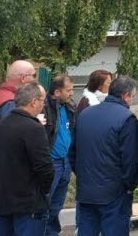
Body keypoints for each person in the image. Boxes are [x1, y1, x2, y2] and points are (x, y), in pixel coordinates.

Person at [0, 82, 54, 236]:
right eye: (43, 101)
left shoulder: (1, 125)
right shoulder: (34, 128)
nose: (44, 105)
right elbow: (45, 168)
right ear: (34, 102)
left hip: (2, 199)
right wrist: (43, 191)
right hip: (27, 203)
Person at [72, 76, 138, 236]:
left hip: (87, 191)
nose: (132, 101)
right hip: (114, 194)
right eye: (132, 97)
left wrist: (83, 176)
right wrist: (129, 186)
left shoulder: (85, 115)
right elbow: (130, 161)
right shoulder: (127, 119)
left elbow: (73, 152)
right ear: (125, 96)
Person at [0, 59, 37, 161]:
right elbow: (16, 136)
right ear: (23, 78)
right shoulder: (10, 102)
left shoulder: (1, 95)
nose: (35, 80)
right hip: (6, 162)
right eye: (34, 75)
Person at [43, 75, 76, 236]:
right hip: (51, 162)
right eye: (68, 90)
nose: (72, 93)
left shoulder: (69, 107)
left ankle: (52, 233)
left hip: (65, 162)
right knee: (45, 204)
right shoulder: (45, 108)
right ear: (57, 92)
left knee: (56, 205)